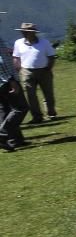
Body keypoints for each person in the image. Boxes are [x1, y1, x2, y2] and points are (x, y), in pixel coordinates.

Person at [12, 23, 56, 123]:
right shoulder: (18, 43)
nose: (23, 33)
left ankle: (51, 113)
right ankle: (37, 116)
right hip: (26, 71)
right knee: (31, 95)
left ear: (33, 33)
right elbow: (16, 57)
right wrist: (19, 68)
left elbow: (51, 56)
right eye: (23, 31)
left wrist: (48, 68)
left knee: (48, 93)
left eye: (26, 32)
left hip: (44, 70)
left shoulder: (44, 42)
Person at [0, 20, 29, 151]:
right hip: (6, 80)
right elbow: (1, 61)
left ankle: (15, 140)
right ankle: (2, 134)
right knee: (20, 108)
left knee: (5, 110)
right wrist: (11, 80)